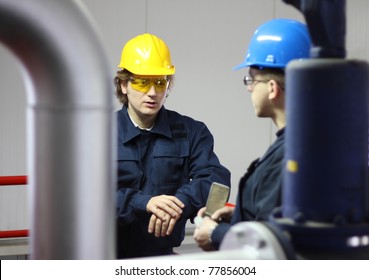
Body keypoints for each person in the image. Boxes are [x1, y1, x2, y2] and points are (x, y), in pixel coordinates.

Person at [193, 18, 312, 251]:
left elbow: (272, 247)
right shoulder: (303, 144)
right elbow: (278, 216)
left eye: (251, 79)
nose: (248, 87)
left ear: (272, 88)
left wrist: (216, 233)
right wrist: (240, 216)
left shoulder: (291, 155)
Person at [114, 33, 231, 258]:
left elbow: (216, 181)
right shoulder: (98, 135)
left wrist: (179, 203)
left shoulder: (192, 132)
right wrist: (143, 203)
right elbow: (87, 195)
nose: (152, 92)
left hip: (161, 256)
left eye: (160, 82)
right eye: (142, 81)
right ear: (123, 85)